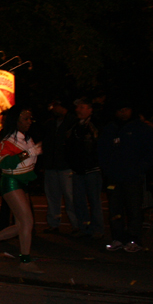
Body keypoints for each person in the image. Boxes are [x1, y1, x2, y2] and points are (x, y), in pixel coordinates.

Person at [0, 106, 44, 274]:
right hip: (12, 182)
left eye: (30, 119)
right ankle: (25, 260)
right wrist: (29, 153)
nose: (29, 122)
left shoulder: (25, 138)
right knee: (27, 222)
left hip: (23, 181)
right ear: (16, 120)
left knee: (21, 224)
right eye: (25, 119)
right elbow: (4, 162)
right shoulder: (9, 140)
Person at [98, 99, 153, 252]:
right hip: (114, 177)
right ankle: (117, 237)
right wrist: (107, 169)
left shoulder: (141, 128)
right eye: (120, 110)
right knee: (114, 209)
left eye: (126, 109)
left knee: (134, 208)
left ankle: (134, 239)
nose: (123, 113)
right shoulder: (110, 129)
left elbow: (151, 151)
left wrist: (140, 168)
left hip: (132, 176)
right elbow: (102, 151)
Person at [67, 97, 105, 238]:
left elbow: (97, 146)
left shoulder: (94, 125)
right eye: (78, 107)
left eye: (82, 107)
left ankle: (96, 228)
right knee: (79, 201)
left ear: (90, 110)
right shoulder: (76, 126)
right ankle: (84, 228)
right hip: (79, 169)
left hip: (91, 169)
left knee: (94, 201)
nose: (79, 110)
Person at [41, 99, 78, 233]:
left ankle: (76, 224)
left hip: (65, 166)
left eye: (55, 106)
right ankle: (54, 223)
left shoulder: (72, 122)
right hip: (52, 165)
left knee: (70, 197)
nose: (52, 109)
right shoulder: (50, 124)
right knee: (53, 197)